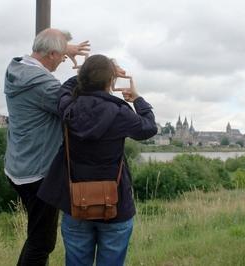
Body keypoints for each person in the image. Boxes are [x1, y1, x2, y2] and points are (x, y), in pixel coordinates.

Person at [38, 54, 157, 266]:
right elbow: (149, 127)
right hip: (116, 205)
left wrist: (87, 72)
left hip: (75, 203)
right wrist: (138, 99)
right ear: (110, 82)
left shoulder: (69, 108)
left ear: (83, 78)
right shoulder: (121, 112)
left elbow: (65, 87)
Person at [3, 28, 90, 266]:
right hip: (38, 174)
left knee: (36, 235)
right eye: (61, 56)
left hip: (18, 164)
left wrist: (65, 47)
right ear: (51, 53)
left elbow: (47, 40)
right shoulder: (42, 84)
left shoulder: (17, 69)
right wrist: (89, 76)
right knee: (41, 242)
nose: (63, 60)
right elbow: (74, 110)